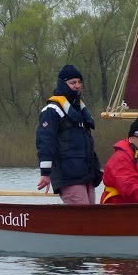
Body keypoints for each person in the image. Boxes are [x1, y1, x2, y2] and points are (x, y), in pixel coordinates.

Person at [36, 64, 103, 204]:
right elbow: (45, 142)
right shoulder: (51, 110)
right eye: (73, 82)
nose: (77, 86)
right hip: (68, 177)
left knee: (93, 218)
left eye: (79, 82)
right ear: (63, 84)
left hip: (87, 175)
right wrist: (45, 174)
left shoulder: (80, 110)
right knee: (84, 219)